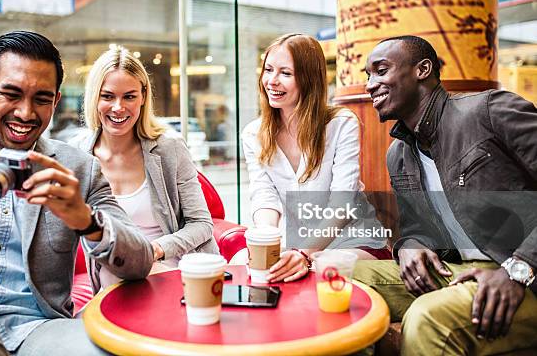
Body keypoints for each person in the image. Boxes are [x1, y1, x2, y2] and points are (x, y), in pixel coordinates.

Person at [0, 31, 154, 355]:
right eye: (12, 94)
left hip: (40, 328)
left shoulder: (78, 169)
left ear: (56, 101)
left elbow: (140, 262)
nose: (26, 113)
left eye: (42, 99)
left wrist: (86, 221)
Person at [355, 35, 537, 355]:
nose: (370, 84)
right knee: (343, 280)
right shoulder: (399, 154)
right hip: (457, 271)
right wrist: (410, 245)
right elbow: (416, 228)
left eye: (381, 71)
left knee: (428, 318)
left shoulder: (491, 110)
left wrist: (518, 268)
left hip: (525, 273)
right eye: (368, 75)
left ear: (422, 69)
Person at [241, 33, 388, 283]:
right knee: (242, 266)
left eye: (285, 73)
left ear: (309, 80)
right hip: (294, 245)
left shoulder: (341, 123)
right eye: (268, 70)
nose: (272, 81)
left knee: (325, 269)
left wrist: (305, 253)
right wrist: (269, 247)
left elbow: (342, 202)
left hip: (351, 241)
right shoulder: (253, 133)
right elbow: (265, 198)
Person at [71, 45, 218, 284]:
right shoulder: (78, 154)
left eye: (129, 96)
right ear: (94, 98)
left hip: (171, 268)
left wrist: (153, 251)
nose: (118, 107)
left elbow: (201, 224)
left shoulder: (170, 147)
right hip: (112, 274)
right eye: (107, 96)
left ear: (143, 97)